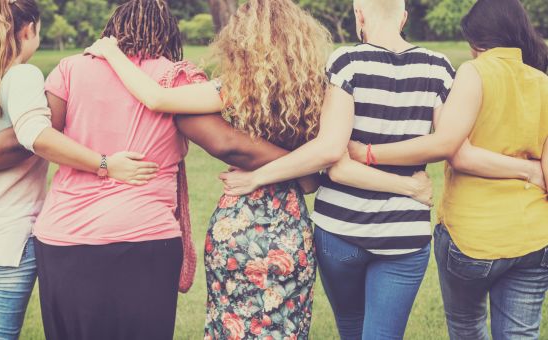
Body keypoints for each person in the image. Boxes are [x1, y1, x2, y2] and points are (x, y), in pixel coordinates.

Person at [85, 0, 436, 338]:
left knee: (230, 325)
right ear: (302, 39)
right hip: (289, 229)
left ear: (240, 40)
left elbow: (157, 98)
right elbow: (313, 182)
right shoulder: (318, 91)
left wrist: (112, 52)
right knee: (284, 327)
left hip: (236, 223)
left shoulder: (235, 89)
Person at [218, 0, 545, 339]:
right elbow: (450, 146)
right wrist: (411, 187)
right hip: (404, 234)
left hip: (339, 230)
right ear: (403, 17)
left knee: (351, 328)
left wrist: (256, 176)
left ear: (359, 15)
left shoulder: (346, 62)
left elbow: (332, 152)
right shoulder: (439, 67)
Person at [0, 0, 154, 339]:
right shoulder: (24, 75)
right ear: (29, 30)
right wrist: (105, 164)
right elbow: (34, 136)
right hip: (5, 240)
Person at [346, 0, 548, 338]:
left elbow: (454, 151)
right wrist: (526, 172)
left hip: (473, 238)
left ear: (476, 41)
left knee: (467, 326)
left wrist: (368, 152)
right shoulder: (543, 82)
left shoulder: (475, 71)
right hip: (533, 239)